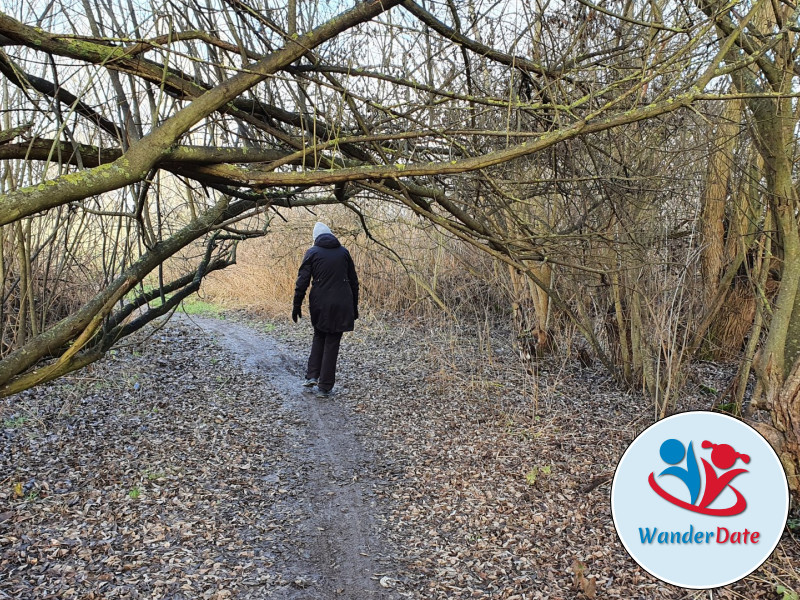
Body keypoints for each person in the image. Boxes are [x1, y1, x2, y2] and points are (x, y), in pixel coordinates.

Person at [292, 222, 359, 397]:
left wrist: (296, 304)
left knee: (319, 334)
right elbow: (353, 281)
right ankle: (325, 386)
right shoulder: (344, 253)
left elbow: (302, 281)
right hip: (343, 303)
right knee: (332, 342)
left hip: (320, 303)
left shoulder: (312, 253)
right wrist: (354, 306)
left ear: (315, 238)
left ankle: (312, 376)